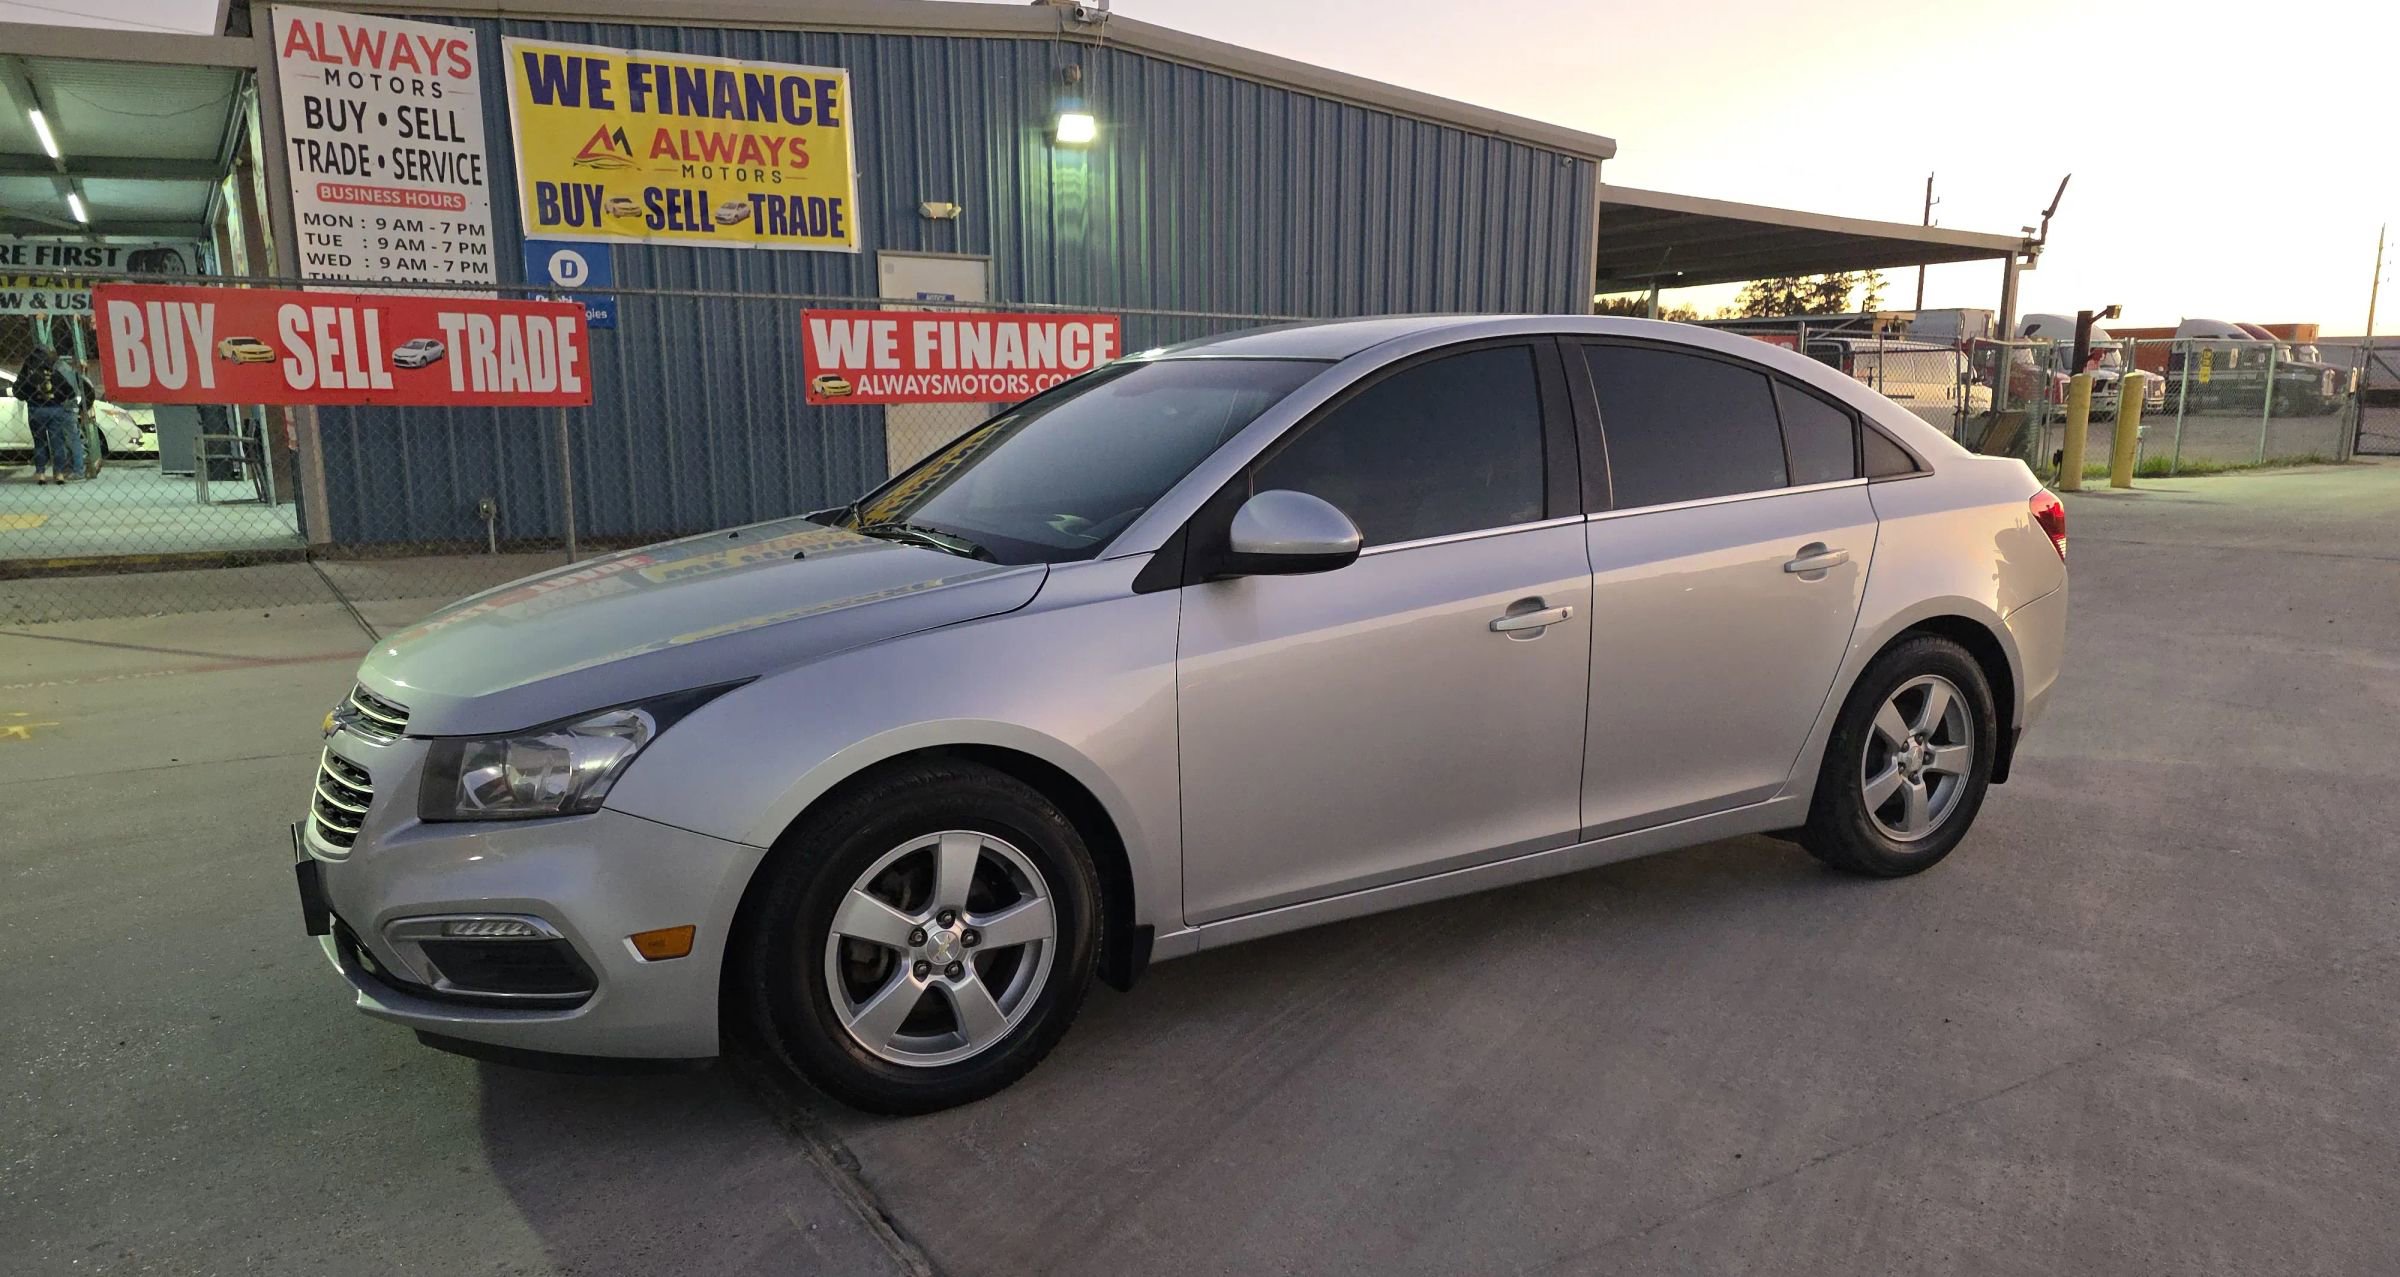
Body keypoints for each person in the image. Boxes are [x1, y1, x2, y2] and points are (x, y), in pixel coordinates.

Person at [10, 344, 80, 485]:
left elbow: (18, 391)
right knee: (58, 442)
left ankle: (41, 473)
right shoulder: (53, 369)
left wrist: (30, 396)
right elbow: (70, 391)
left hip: (36, 409)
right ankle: (59, 473)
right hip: (55, 409)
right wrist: (58, 399)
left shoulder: (28, 371)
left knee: (39, 442)